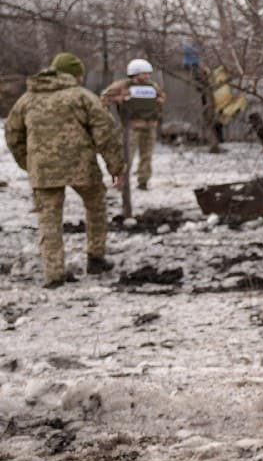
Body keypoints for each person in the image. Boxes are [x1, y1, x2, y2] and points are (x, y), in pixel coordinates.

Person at [5, 52, 124, 288]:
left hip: (44, 172)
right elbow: (105, 132)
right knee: (96, 206)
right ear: (75, 75)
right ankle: (96, 257)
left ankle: (54, 274)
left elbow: (12, 134)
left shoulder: (28, 99)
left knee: (49, 220)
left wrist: (29, 164)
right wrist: (116, 167)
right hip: (82, 168)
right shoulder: (82, 97)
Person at [101, 58, 165, 190]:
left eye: (148, 73)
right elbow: (104, 98)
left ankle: (143, 181)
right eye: (144, 73)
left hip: (149, 126)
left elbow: (161, 98)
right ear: (135, 73)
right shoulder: (123, 86)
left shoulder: (152, 86)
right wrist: (121, 99)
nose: (147, 76)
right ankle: (121, 182)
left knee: (146, 156)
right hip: (131, 127)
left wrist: (157, 102)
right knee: (126, 156)